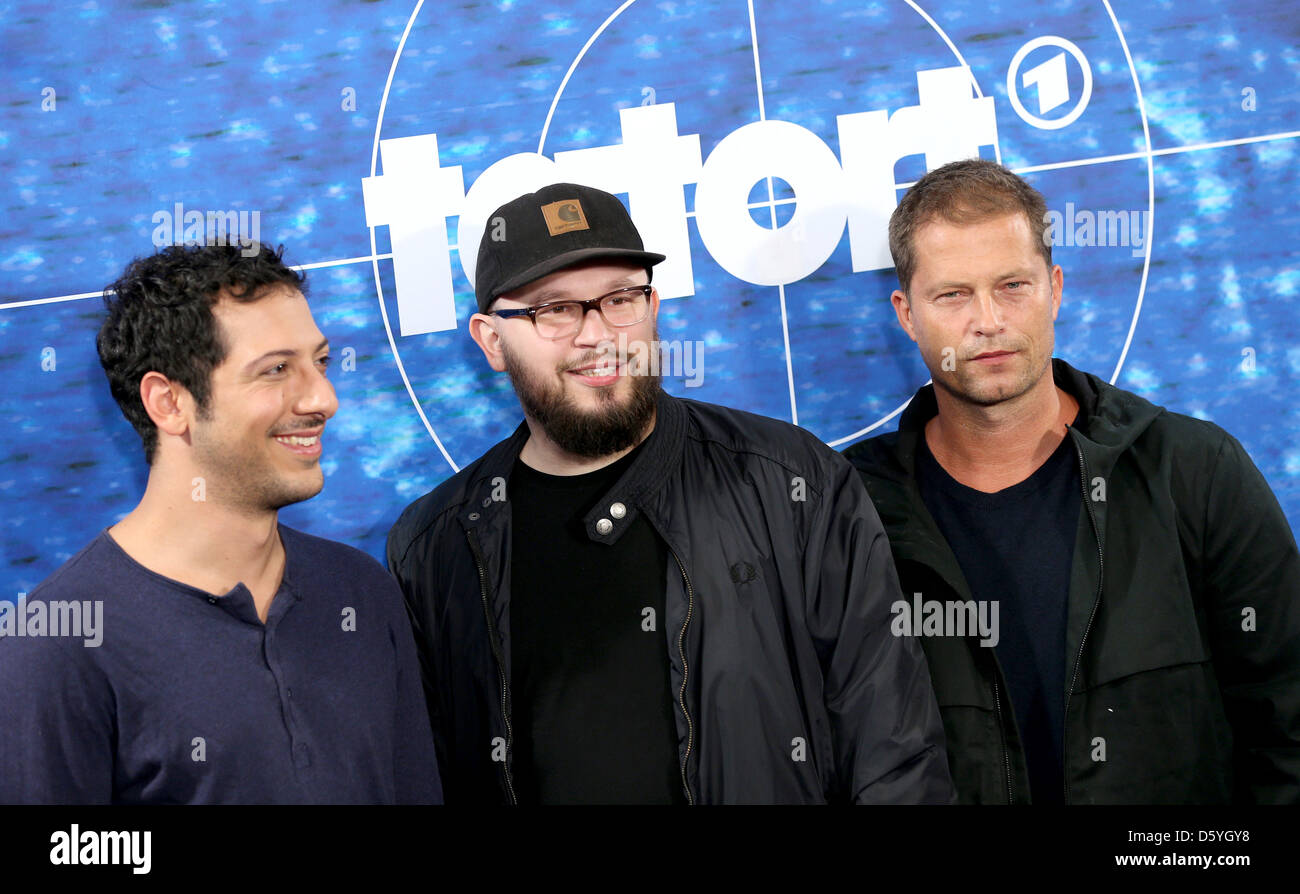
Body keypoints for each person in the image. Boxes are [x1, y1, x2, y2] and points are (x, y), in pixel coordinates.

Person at [387, 182, 952, 804]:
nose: (597, 334)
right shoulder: (434, 545)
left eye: (620, 298)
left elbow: (894, 754)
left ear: (653, 307)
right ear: (492, 340)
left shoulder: (791, 481)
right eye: (555, 309)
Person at [843, 158, 1300, 803]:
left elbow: (1286, 726)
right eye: (952, 295)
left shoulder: (1192, 472)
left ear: (1054, 288)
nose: (988, 321)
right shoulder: (851, 515)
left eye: (1012, 286)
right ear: (907, 314)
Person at [0, 241, 441, 804]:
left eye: (321, 363)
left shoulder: (361, 592)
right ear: (168, 403)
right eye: (276, 370)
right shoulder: (57, 646)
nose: (323, 398)